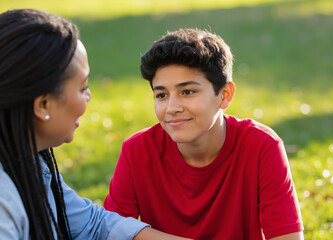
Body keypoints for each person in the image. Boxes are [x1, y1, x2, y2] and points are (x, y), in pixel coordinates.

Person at [0, 9, 193, 240]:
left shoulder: (28, 162)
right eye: (82, 88)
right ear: (43, 105)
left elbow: (94, 225)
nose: (89, 95)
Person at [104, 28, 304, 240]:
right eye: (161, 95)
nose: (172, 107)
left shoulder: (261, 146)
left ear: (225, 95)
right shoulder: (137, 151)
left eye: (188, 92)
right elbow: (111, 232)